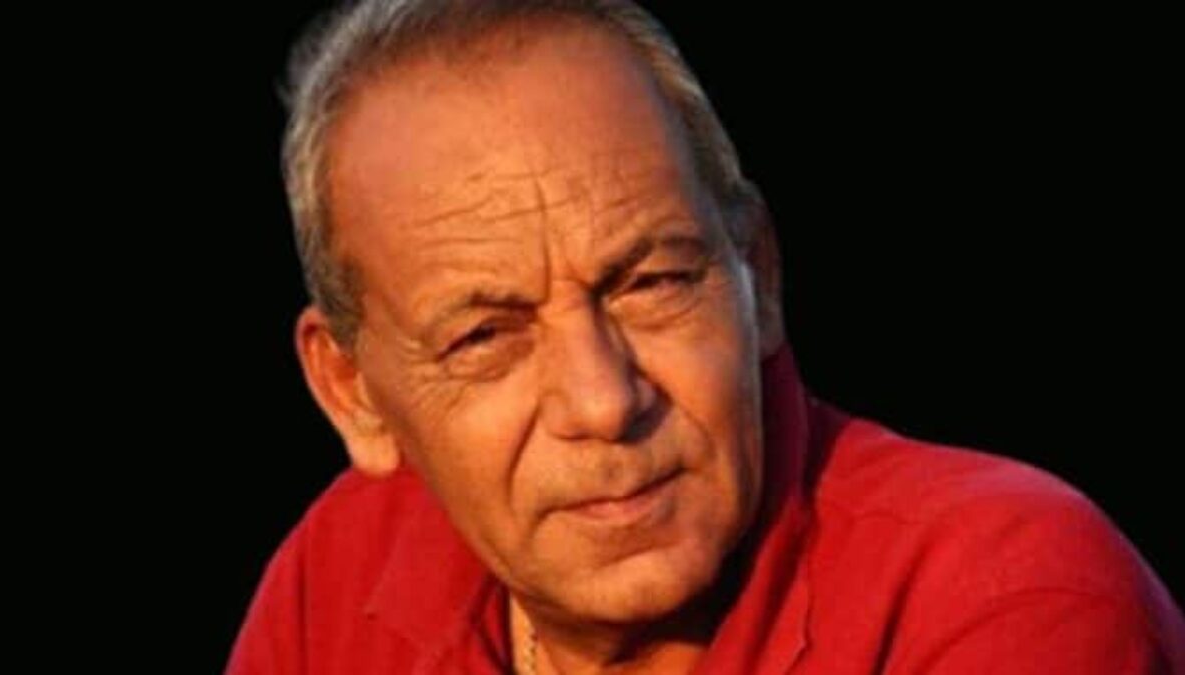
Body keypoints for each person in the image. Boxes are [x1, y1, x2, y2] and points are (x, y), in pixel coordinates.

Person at [226, 1, 1185, 673]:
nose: (604, 401)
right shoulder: (340, 575)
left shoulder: (1005, 591)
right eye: (485, 336)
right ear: (352, 392)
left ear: (755, 274)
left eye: (653, 283)